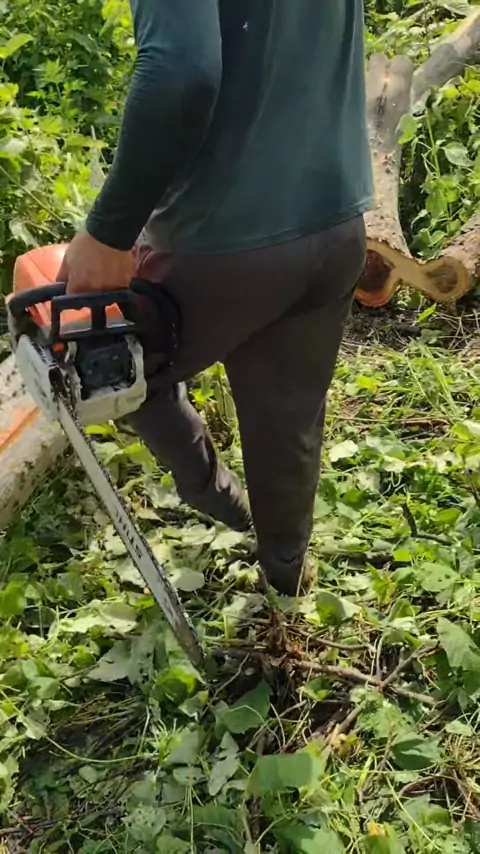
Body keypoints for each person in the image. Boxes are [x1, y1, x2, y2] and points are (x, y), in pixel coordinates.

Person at [58, 1, 373, 596]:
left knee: (109, 361)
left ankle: (217, 499)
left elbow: (181, 73)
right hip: (335, 217)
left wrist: (108, 232)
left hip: (223, 238)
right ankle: (285, 578)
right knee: (288, 418)